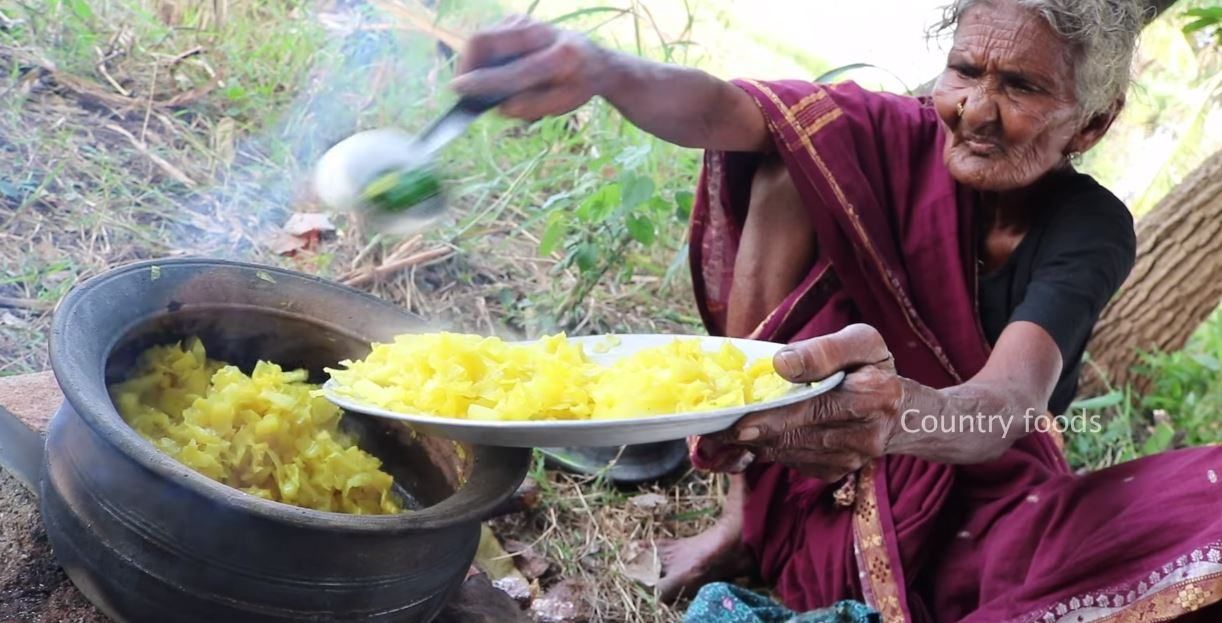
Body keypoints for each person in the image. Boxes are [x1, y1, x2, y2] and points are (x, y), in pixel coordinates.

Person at [452, 1, 1222, 620]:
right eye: (964, 70)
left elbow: (1008, 401)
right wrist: (600, 68)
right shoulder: (887, 134)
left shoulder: (1089, 227)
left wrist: (896, 415)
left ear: (1093, 122)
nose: (976, 110)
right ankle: (743, 516)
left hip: (972, 478)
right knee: (795, 160)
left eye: (1021, 88)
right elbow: (724, 110)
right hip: (812, 452)